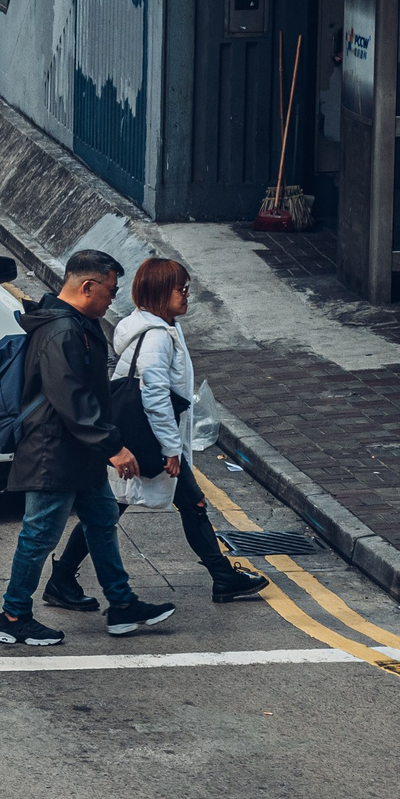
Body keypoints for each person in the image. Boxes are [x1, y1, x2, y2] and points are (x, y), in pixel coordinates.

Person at [43, 258, 271, 612]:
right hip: (149, 440)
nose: (186, 295)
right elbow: (154, 397)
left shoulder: (164, 328)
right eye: (181, 289)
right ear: (160, 292)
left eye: (186, 288)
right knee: (112, 508)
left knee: (164, 505)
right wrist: (171, 449)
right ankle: (63, 579)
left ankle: (222, 575)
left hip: (147, 437)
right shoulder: (155, 339)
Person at [0, 251, 181, 646]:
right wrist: (113, 446)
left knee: (102, 518)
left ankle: (122, 604)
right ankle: (13, 615)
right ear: (87, 286)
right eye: (110, 291)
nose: (113, 299)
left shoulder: (77, 322)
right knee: (39, 534)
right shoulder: (62, 331)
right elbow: (71, 397)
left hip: (78, 451)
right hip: (54, 452)